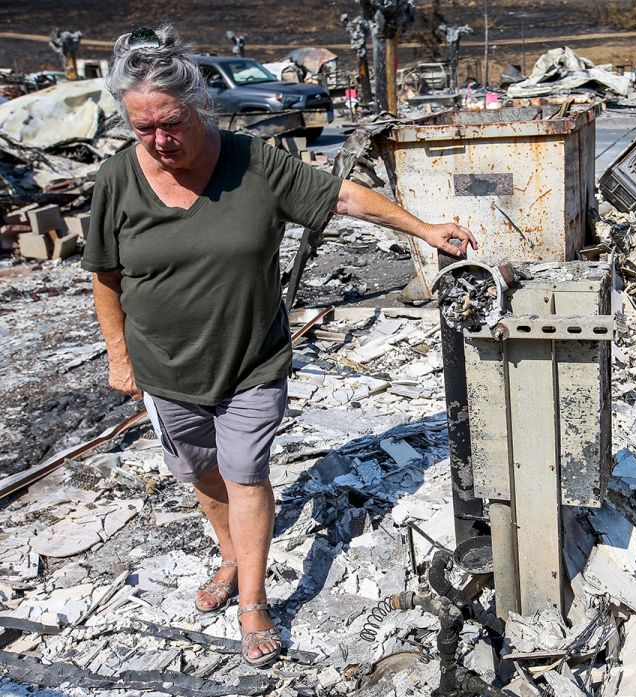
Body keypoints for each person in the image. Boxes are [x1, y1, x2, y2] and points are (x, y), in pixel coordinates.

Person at [83, 24, 476, 668]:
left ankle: (254, 600)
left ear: (199, 107)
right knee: (198, 471)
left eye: (172, 123)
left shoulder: (254, 162)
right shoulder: (118, 180)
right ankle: (232, 554)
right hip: (163, 365)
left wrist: (421, 227)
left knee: (245, 472)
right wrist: (120, 357)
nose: (160, 142)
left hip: (250, 359)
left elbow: (341, 195)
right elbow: (106, 277)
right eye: (143, 129)